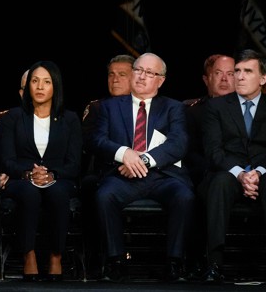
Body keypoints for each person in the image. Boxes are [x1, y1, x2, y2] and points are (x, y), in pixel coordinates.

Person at [92, 52, 194, 283]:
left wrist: (142, 160)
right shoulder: (109, 107)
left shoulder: (173, 108)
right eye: (138, 70)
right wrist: (124, 153)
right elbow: (98, 140)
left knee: (185, 196)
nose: (141, 76)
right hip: (122, 176)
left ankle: (175, 263)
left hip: (162, 176)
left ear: (160, 80)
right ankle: (115, 262)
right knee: (104, 196)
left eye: (150, 72)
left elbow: (178, 144)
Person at [201, 49, 266, 284]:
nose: (239, 77)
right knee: (220, 180)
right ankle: (214, 264)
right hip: (229, 172)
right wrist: (240, 174)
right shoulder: (216, 107)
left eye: (247, 71)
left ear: (263, 78)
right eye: (237, 71)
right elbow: (214, 152)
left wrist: (257, 173)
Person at [0, 61, 81, 282]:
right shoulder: (12, 118)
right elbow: (6, 160)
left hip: (60, 177)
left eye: (46, 82)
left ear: (56, 86)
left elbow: (74, 164)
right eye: (35, 81)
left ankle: (56, 256)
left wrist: (51, 174)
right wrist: (28, 173)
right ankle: (29, 255)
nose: (40, 87)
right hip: (22, 178)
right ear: (28, 87)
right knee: (29, 192)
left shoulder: (70, 119)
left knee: (58, 192)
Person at [79, 54, 134, 278]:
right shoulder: (97, 108)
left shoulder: (146, 107)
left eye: (122, 75)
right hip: (106, 172)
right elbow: (88, 144)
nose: (115, 80)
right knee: (90, 186)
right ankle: (96, 259)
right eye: (111, 74)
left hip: (144, 173)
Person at [180, 54, 235, 278]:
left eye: (230, 74)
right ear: (206, 79)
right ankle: (197, 260)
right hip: (202, 173)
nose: (224, 79)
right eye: (218, 73)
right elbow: (188, 151)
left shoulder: (249, 110)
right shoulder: (191, 110)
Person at [0, 69, 29, 190]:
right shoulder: (6, 119)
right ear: (22, 93)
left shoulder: (63, 120)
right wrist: (1, 174)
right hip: (17, 181)